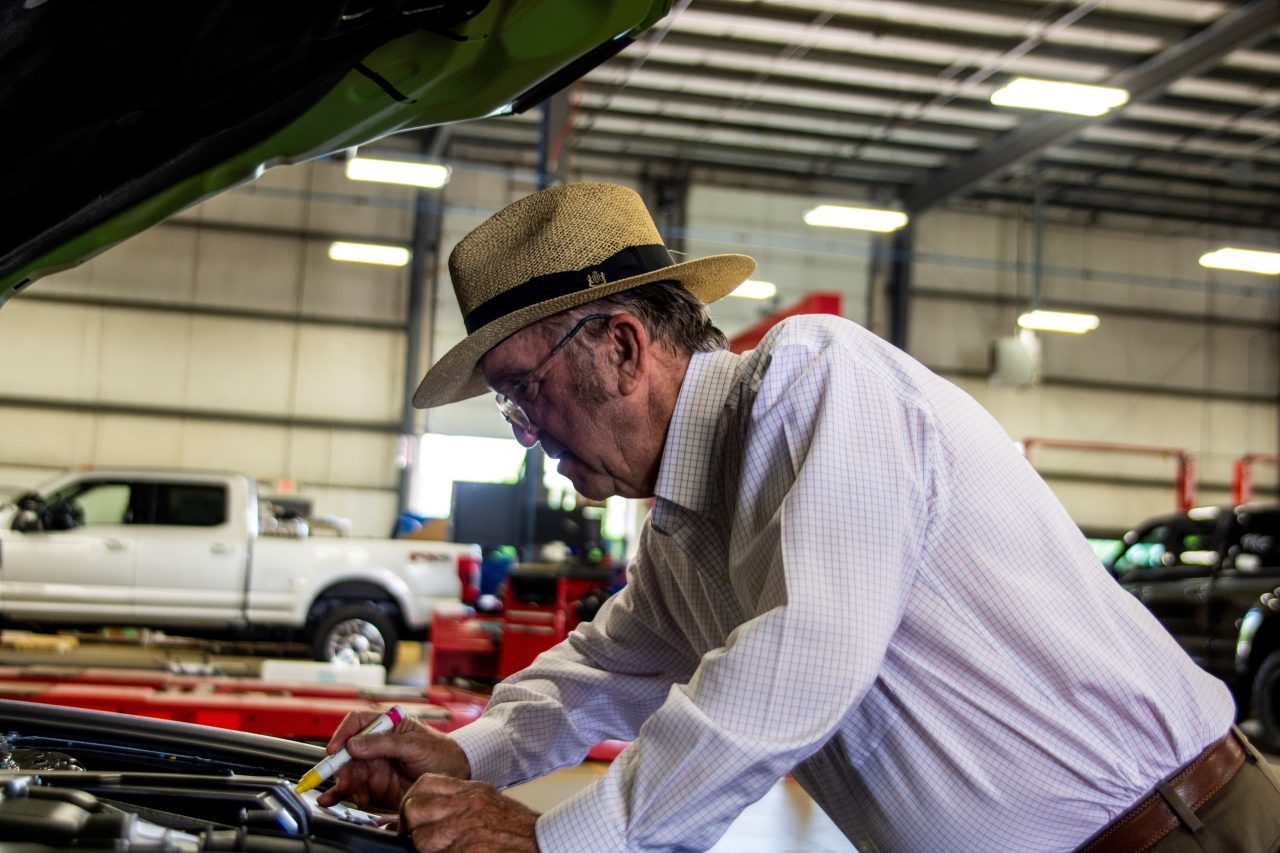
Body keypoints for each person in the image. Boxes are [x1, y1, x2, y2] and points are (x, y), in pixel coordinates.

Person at [319, 182, 1280, 852]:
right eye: (509, 407)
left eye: (524, 392)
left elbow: (804, 653)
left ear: (620, 345)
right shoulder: (683, 534)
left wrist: (562, 838)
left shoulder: (817, 380)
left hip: (1181, 835)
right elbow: (597, 674)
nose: (527, 434)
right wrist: (462, 749)